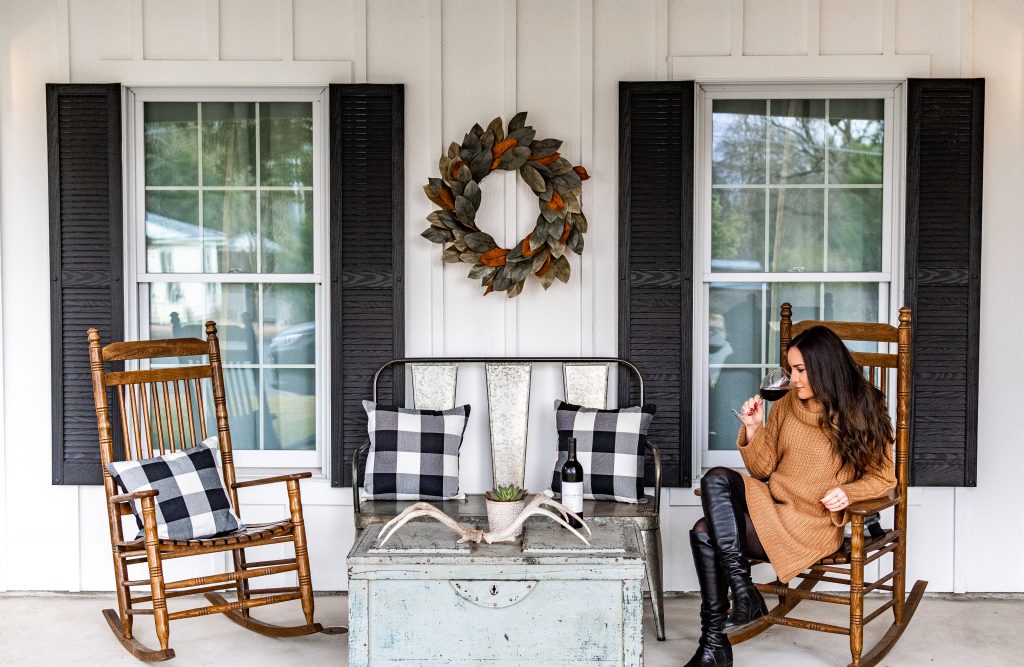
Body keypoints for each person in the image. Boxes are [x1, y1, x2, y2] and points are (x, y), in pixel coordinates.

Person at [684, 325, 897, 667]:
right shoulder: (785, 405)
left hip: (811, 524)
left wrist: (848, 492)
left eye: (800, 370)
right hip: (773, 505)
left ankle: (716, 643)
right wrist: (754, 428)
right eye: (791, 370)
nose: (793, 379)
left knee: (704, 529)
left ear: (824, 367)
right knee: (715, 478)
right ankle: (743, 594)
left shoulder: (861, 409)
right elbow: (763, 469)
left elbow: (885, 477)